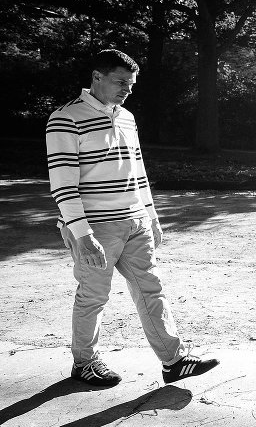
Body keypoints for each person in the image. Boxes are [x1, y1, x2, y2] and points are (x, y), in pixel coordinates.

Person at [46, 49, 219, 387]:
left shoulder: (126, 117)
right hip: (96, 226)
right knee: (93, 296)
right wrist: (82, 234)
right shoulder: (65, 119)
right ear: (97, 77)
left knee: (150, 290)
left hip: (135, 220)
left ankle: (173, 361)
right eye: (121, 82)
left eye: (132, 84)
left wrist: (152, 216)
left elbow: (138, 171)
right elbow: (63, 184)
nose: (127, 89)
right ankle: (84, 363)